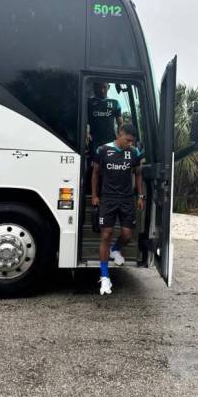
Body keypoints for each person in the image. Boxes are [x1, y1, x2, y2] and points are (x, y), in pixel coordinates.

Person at [91, 123, 144, 295]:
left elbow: (138, 174)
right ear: (120, 134)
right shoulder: (103, 150)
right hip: (108, 199)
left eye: (132, 141)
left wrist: (141, 196)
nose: (130, 143)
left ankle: (116, 249)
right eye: (128, 140)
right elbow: (96, 174)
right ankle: (105, 277)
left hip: (127, 199)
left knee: (128, 234)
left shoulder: (134, 152)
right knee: (105, 234)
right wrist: (94, 196)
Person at [87, 82, 123, 154]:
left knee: (110, 163)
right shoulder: (88, 102)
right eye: (99, 87)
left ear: (108, 87)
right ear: (95, 87)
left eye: (104, 87)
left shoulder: (115, 103)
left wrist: (120, 137)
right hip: (94, 141)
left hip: (110, 141)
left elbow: (120, 124)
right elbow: (84, 120)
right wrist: (86, 133)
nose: (102, 90)